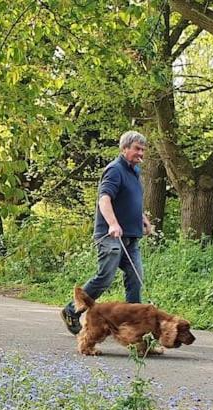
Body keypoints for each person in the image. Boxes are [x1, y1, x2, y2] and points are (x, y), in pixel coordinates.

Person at [61, 131, 155, 335]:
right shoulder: (114, 170)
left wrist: (143, 220)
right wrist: (113, 224)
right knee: (105, 277)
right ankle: (71, 310)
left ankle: (133, 326)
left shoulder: (134, 171)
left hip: (130, 238)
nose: (141, 153)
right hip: (111, 236)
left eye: (143, 150)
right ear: (124, 149)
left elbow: (130, 202)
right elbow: (104, 199)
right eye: (137, 149)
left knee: (135, 279)